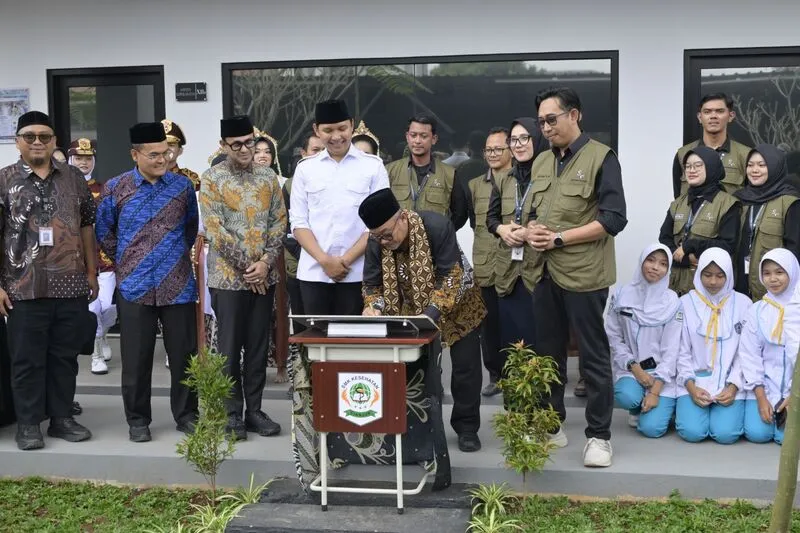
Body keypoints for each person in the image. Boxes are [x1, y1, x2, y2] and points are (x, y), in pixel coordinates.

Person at [526, 87, 628, 468]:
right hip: (544, 272)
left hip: (585, 274)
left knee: (593, 356)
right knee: (548, 352)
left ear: (575, 115)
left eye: (552, 119)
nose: (546, 128)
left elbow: (614, 219)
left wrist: (558, 238)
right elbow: (537, 212)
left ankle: (599, 436)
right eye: (541, 122)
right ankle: (551, 425)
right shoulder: (540, 163)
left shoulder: (602, 157)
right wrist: (531, 231)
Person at [96, 122, 199, 443]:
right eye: (153, 154)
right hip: (134, 286)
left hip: (178, 284)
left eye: (166, 153)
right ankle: (138, 419)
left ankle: (187, 415)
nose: (162, 159)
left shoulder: (181, 188)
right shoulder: (116, 188)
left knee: (184, 356)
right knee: (136, 358)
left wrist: (168, 257)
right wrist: (130, 261)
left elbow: (190, 229)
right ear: (135, 154)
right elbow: (104, 232)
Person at [360, 188, 485, 452]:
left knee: (465, 369)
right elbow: (372, 285)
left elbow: (451, 275)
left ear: (403, 218)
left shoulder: (437, 226)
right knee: (417, 370)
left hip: (459, 304)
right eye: (376, 237)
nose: (383, 242)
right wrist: (374, 307)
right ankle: (421, 427)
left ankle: (466, 428)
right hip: (410, 310)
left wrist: (428, 316)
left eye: (386, 234)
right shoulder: (376, 242)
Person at [1, 111, 97, 450]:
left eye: (45, 136)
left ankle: (60, 418)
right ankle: (28, 424)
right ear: (18, 141)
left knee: (64, 356)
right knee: (26, 359)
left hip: (70, 284)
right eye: (30, 136)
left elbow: (87, 225)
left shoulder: (73, 178)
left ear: (54, 140)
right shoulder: (4, 179)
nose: (38, 141)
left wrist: (91, 270)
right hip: (22, 287)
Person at [200, 115, 287, 440]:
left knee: (257, 346)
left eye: (249, 142)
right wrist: (249, 269)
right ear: (224, 146)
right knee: (229, 347)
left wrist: (264, 262)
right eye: (236, 144)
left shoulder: (268, 178)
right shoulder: (212, 179)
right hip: (227, 278)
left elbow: (280, 222)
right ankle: (231, 413)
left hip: (264, 275)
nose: (245, 149)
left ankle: (255, 410)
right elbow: (215, 230)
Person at [290, 99, 389, 316]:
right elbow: (298, 223)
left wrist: (345, 261)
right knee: (316, 343)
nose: (336, 136)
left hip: (359, 274)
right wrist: (325, 261)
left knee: (355, 342)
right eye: (328, 130)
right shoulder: (305, 169)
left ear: (352, 125)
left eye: (342, 128)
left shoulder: (373, 166)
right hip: (314, 274)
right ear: (317, 130)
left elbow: (379, 224)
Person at [486, 118, 549, 355]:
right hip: (509, 273)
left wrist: (529, 230)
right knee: (512, 341)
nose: (519, 145)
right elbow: (490, 219)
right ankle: (514, 391)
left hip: (539, 271)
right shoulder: (503, 179)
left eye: (525, 138)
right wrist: (502, 230)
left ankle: (541, 392)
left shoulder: (549, 177)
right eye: (513, 140)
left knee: (539, 338)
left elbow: (552, 214)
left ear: (537, 139)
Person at [675, 248, 750, 444]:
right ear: (698, 273)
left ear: (729, 275)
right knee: (692, 433)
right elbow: (681, 351)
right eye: (707, 275)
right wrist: (691, 387)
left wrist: (733, 386)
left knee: (726, 435)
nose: (713, 282)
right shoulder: (685, 303)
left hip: (731, 383)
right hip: (694, 382)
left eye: (719, 276)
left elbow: (745, 353)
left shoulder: (743, 304)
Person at [607, 244, 681, 438]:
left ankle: (665, 408)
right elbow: (613, 336)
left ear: (668, 269)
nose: (655, 267)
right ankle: (636, 408)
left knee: (651, 429)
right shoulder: (621, 295)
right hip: (631, 368)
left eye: (663, 264)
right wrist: (634, 367)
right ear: (641, 261)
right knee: (626, 395)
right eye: (650, 260)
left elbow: (672, 351)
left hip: (662, 373)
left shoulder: (672, 302)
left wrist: (655, 390)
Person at [467, 127, 512, 396]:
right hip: (485, 263)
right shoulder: (474, 186)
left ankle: (515, 372)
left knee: (514, 321)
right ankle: (495, 375)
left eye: (498, 149)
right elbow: (475, 223)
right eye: (489, 149)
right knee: (489, 323)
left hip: (515, 264)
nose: (492, 154)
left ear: (511, 152)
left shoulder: (520, 181)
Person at [659, 146, 741, 296]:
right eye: (688, 166)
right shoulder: (678, 204)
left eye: (698, 165)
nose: (691, 170)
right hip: (675, 286)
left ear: (711, 167)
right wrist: (686, 260)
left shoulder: (728, 204)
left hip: (710, 288)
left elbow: (728, 245)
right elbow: (664, 239)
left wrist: (692, 245)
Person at [740, 249, 799, 444]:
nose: (773, 279)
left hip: (796, 388)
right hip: (766, 387)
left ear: (792, 272)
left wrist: (794, 395)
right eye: (767, 273)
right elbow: (750, 354)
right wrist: (761, 397)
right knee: (758, 434)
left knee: (787, 439)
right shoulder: (757, 310)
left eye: (779, 272)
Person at [68, 138, 116, 375]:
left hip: (104, 259)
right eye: (79, 158)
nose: (83, 163)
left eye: (87, 158)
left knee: (107, 306)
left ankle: (104, 336)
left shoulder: (105, 188)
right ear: (71, 159)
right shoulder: (64, 188)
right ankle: (96, 355)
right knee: (92, 309)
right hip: (76, 258)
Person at [734, 144, 800, 301]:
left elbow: (795, 250)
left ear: (775, 167)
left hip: (774, 289)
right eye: (750, 165)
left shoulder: (789, 202)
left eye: (762, 165)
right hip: (739, 286)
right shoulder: (739, 200)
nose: (754, 170)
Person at [385, 115, 468, 230]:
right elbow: (382, 210)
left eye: (423, 136)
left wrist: (443, 234)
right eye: (413, 135)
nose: (417, 141)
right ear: (407, 137)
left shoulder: (449, 174)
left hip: (435, 245)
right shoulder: (390, 171)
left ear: (434, 139)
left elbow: (461, 214)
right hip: (399, 244)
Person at [283, 133, 325, 339]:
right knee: (305, 327)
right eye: (315, 150)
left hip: (338, 266)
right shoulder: (290, 185)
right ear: (304, 153)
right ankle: (304, 370)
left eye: (323, 150)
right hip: (300, 265)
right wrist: (312, 256)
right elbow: (285, 229)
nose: (320, 155)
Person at [672, 93, 751, 198]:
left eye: (720, 111)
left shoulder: (746, 155)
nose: (713, 116)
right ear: (700, 117)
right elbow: (678, 199)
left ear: (731, 116)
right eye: (707, 112)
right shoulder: (683, 154)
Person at [162, 119, 200, 191]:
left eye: (171, 145)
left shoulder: (190, 179)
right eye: (162, 144)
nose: (166, 149)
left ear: (180, 150)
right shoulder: (147, 177)